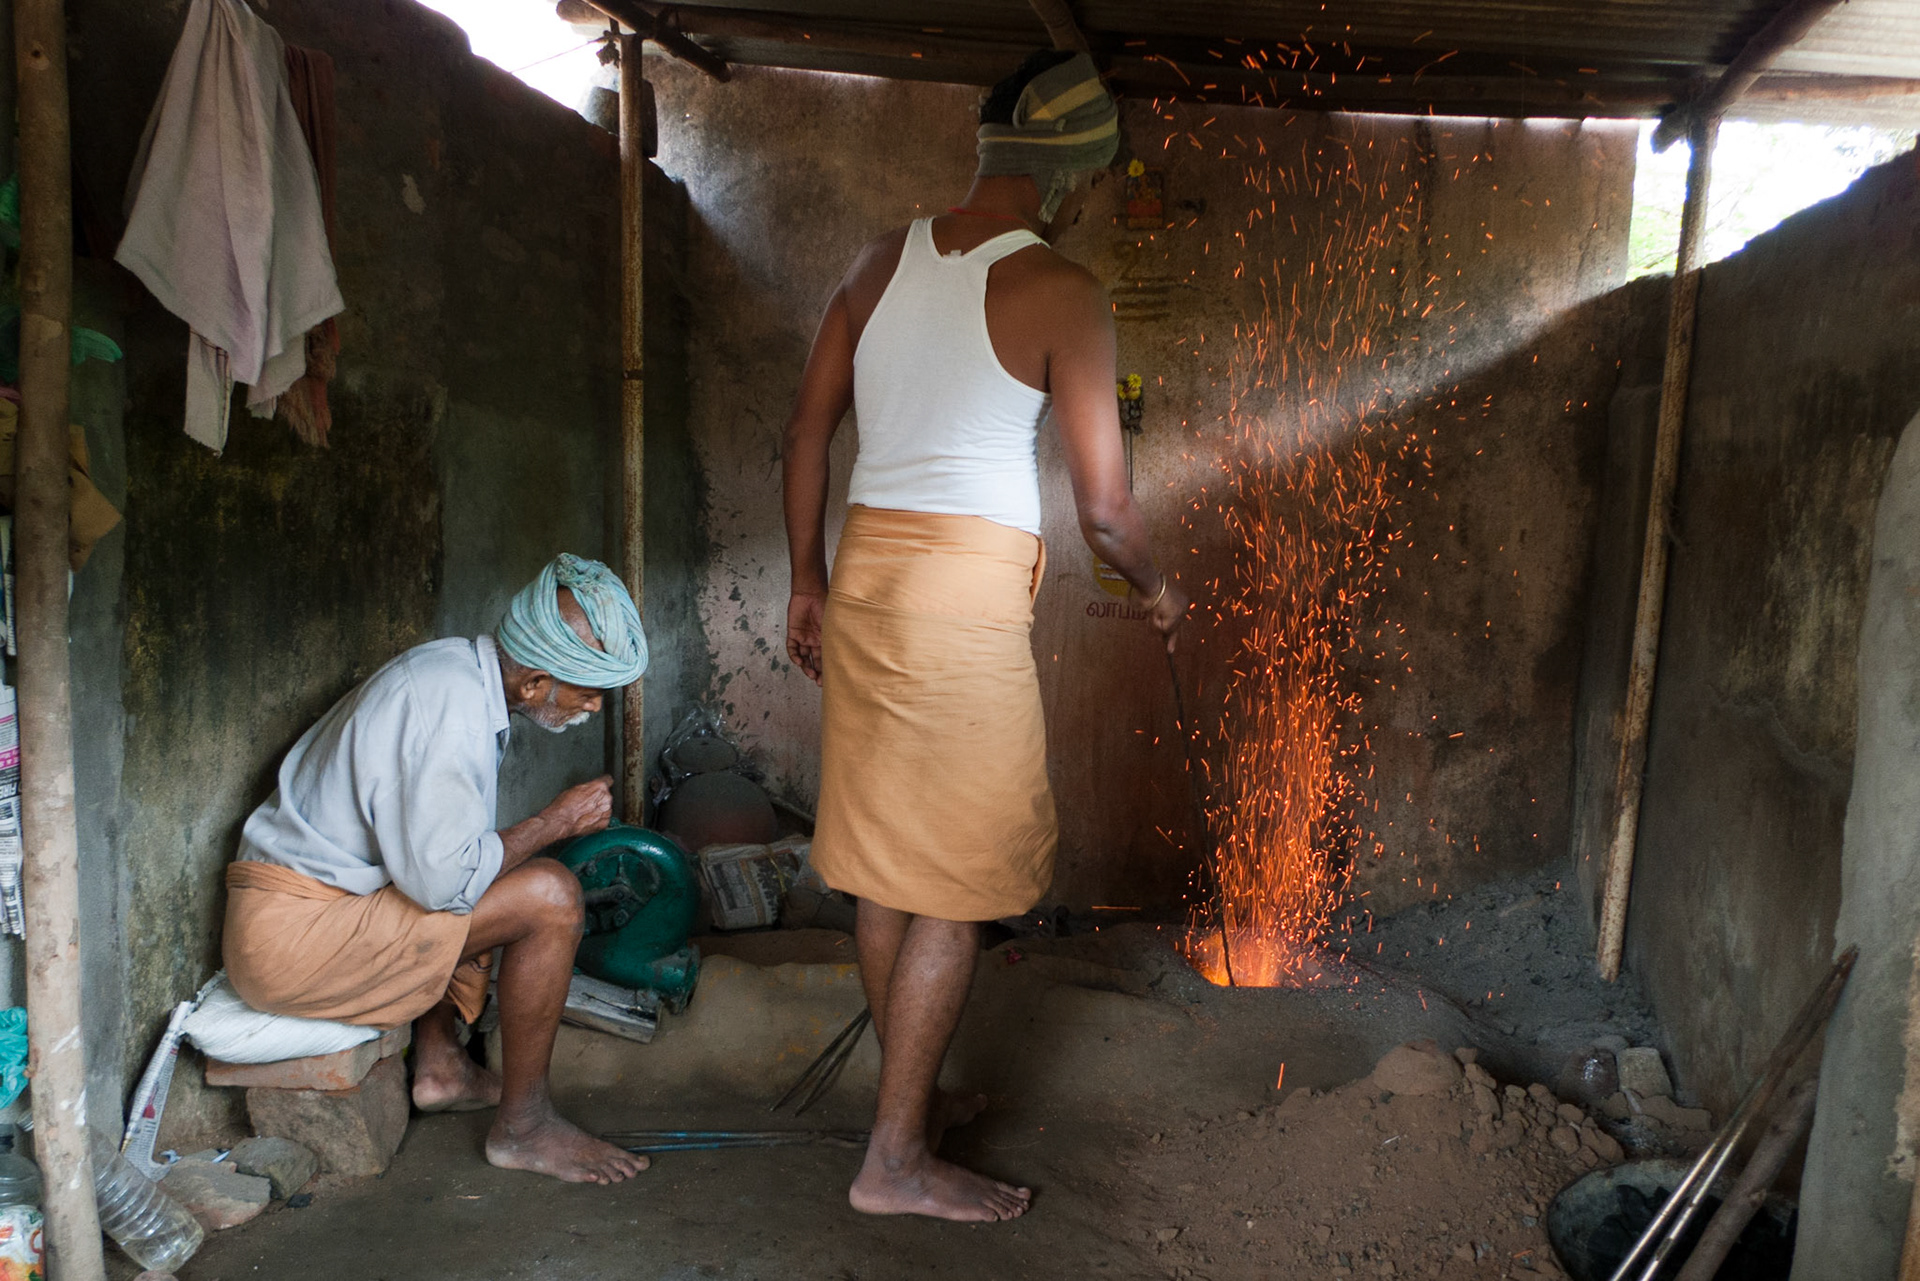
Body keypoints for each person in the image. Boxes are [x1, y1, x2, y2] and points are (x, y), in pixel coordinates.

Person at [781, 50, 1188, 1224]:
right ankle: (894, 1161)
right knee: (957, 885)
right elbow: (1107, 510)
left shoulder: (876, 261)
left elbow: (807, 434)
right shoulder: (1062, 288)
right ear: (1068, 181)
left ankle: (915, 1096)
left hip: (865, 576)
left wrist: (808, 580)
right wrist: (1157, 593)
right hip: (960, 601)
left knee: (880, 861)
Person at [221, 554, 650, 1185]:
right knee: (550, 896)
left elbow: (445, 861)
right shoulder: (448, 712)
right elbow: (444, 883)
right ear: (533, 683)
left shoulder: (455, 674)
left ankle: (441, 1063)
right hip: (291, 940)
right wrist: (555, 822)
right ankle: (524, 1129)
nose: (593, 708)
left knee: (490, 865)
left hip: (313, 914)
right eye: (589, 692)